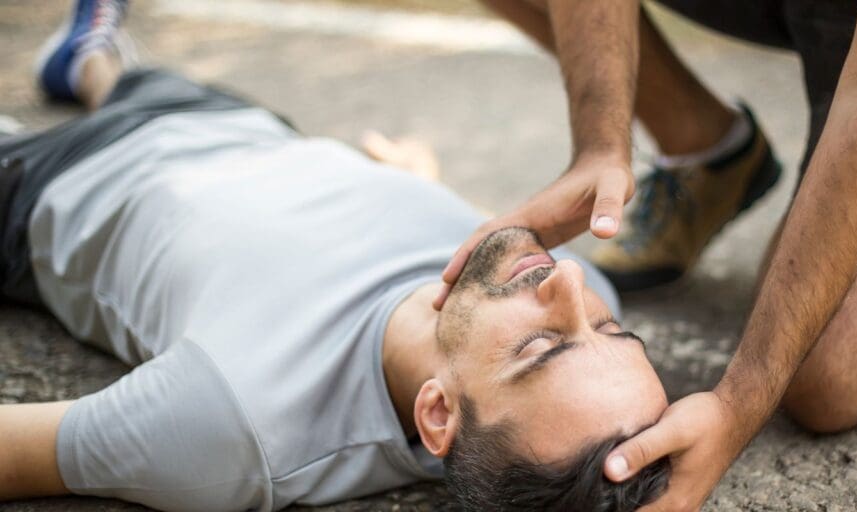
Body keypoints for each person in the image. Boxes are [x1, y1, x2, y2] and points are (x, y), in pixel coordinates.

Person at [0, 2, 675, 510]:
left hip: (54, 188)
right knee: (119, 77)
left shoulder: (236, 425)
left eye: (539, 346)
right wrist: (424, 183)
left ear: (438, 414)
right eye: (612, 330)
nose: (572, 279)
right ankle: (90, 58)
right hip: (243, 127)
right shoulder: (550, 290)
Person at [440, 0, 857, 509]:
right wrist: (601, 143)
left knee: (828, 374)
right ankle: (705, 145)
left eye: (611, 327)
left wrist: (741, 402)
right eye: (608, 329)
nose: (569, 272)